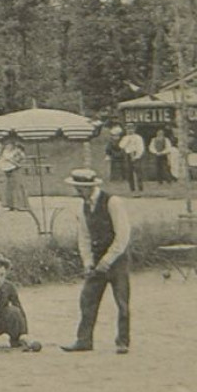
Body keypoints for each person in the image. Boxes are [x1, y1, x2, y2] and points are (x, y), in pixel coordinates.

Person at [61, 168, 133, 354]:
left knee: (122, 301)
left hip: (117, 259)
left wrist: (108, 260)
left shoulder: (113, 202)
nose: (77, 191)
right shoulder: (83, 207)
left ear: (90, 187)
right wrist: (88, 262)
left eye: (80, 188)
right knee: (87, 298)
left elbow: (123, 235)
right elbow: (84, 237)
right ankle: (84, 340)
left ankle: (122, 341)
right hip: (97, 258)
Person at [0, 134, 29, 211]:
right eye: (6, 144)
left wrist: (17, 164)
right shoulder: (5, 151)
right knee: (9, 187)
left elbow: (22, 159)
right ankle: (11, 205)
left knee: (17, 186)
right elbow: (3, 160)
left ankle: (20, 205)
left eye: (9, 144)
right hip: (7, 170)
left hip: (15, 169)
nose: (8, 146)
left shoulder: (17, 151)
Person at [119, 126, 146, 193]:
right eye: (128, 129)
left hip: (136, 154)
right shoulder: (125, 138)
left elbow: (141, 148)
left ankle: (140, 188)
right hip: (128, 154)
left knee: (138, 172)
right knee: (129, 172)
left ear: (134, 129)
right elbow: (121, 146)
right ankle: (132, 189)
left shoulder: (138, 137)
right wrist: (127, 139)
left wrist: (137, 156)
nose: (130, 130)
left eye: (131, 129)